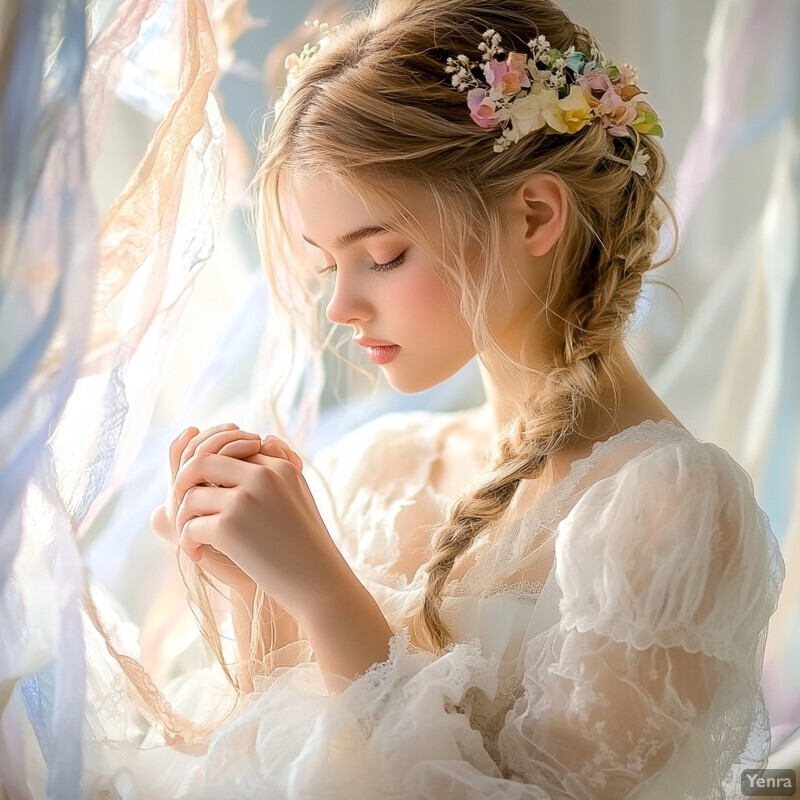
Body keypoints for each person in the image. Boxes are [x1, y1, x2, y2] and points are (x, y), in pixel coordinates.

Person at [82, 0, 785, 797]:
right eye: (323, 265)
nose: (340, 306)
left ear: (536, 213)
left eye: (381, 255)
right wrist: (262, 601)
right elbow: (300, 760)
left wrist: (323, 592)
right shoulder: (382, 466)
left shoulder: (669, 509)